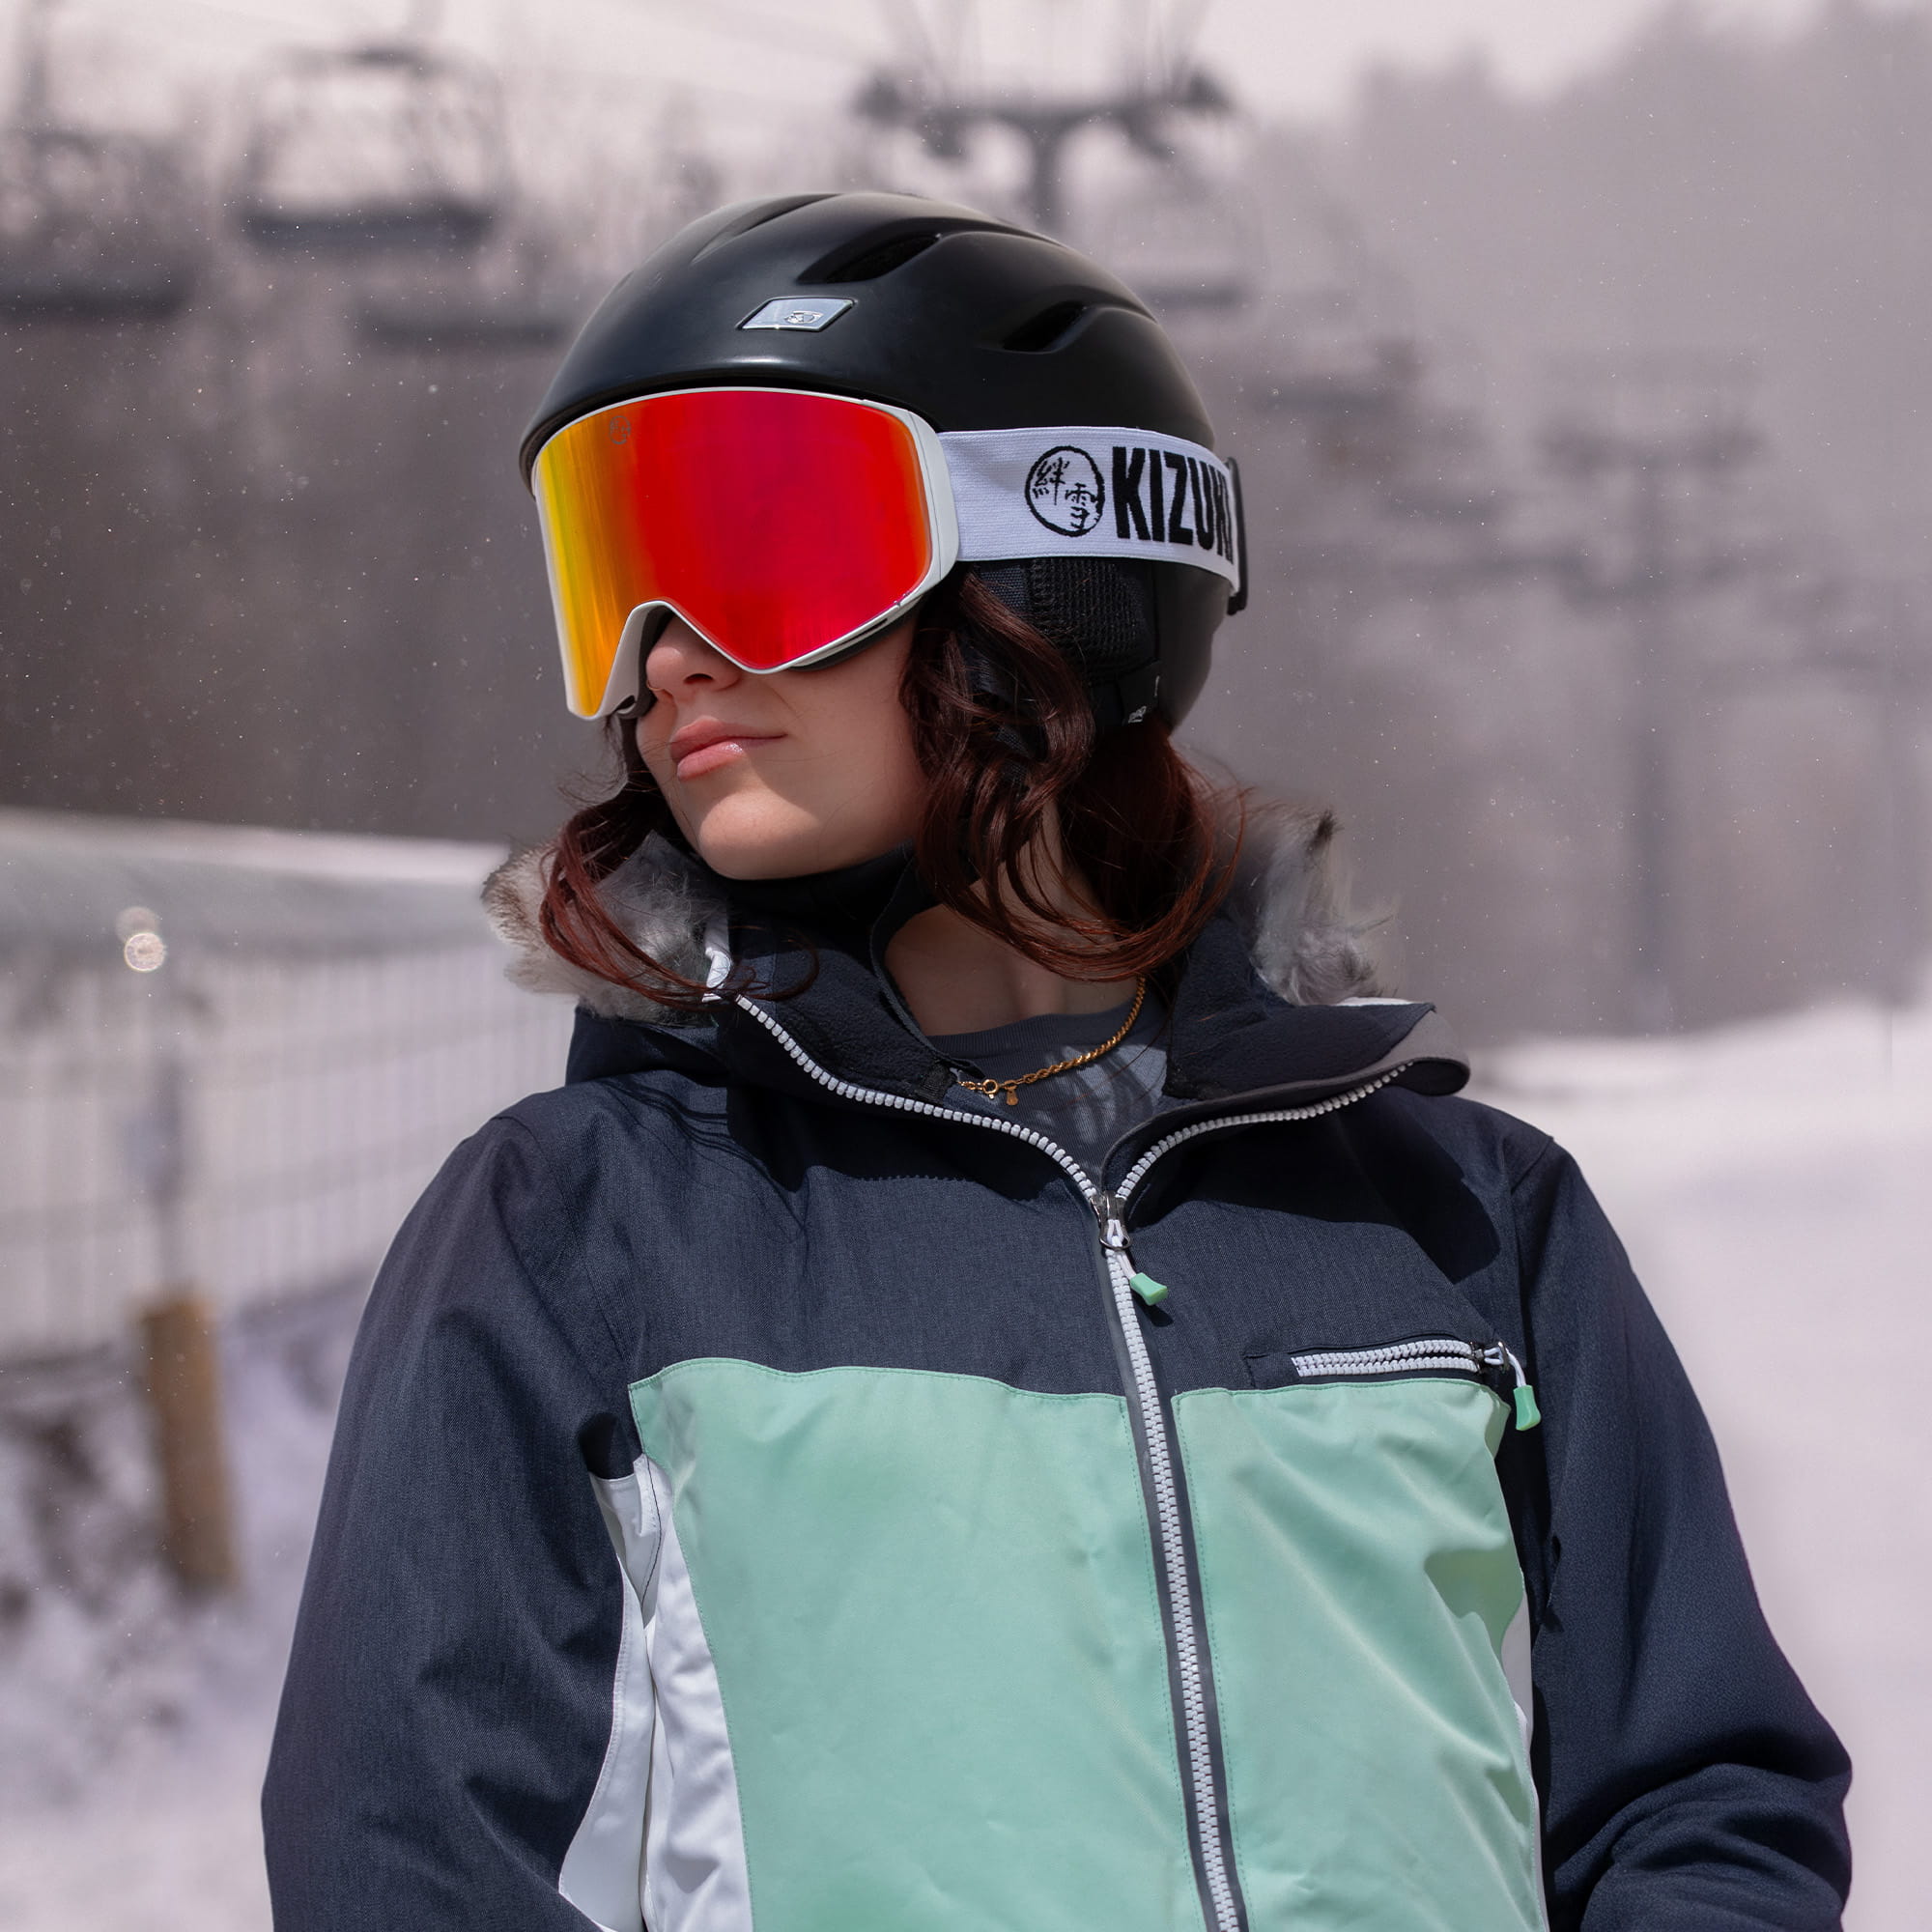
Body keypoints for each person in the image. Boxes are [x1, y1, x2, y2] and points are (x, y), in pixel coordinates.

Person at [262, 192, 1850, 1931]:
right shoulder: (578, 1235)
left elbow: (1701, 1796)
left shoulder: (1461, 1220)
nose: (671, 657)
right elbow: (408, 1863)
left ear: (1054, 574)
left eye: (763, 553)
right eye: (616, 584)